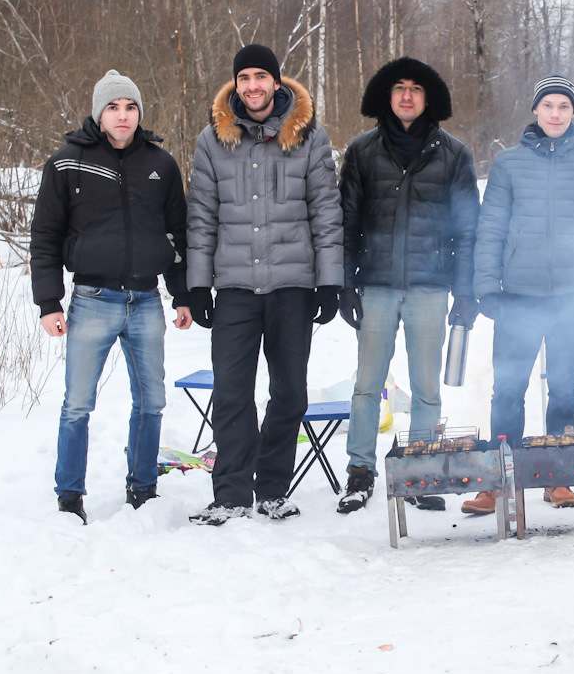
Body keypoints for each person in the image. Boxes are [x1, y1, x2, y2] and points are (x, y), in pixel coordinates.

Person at [185, 44, 343, 524]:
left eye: (260, 76)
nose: (252, 85)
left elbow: (326, 212)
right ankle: (231, 493)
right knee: (232, 392)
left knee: (290, 392)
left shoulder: (309, 137)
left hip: (293, 286)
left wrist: (328, 282)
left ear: (277, 82)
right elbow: (201, 218)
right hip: (234, 288)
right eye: (244, 77)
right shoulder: (212, 140)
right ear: (235, 84)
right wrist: (197, 285)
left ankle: (273, 488)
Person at [30, 70, 193, 523]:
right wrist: (48, 301)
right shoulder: (67, 162)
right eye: (113, 107)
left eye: (131, 107)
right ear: (99, 113)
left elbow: (178, 233)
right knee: (78, 403)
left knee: (152, 401)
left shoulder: (160, 164)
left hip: (145, 300)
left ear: (139, 113)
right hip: (93, 298)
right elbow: (45, 236)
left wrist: (181, 295)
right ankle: (69, 497)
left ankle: (142, 489)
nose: (123, 116)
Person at [467, 75, 574, 514]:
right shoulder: (509, 164)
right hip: (518, 296)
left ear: (573, 113)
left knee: (564, 389)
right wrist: (486, 287)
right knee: (507, 390)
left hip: (572, 298)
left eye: (564, 106)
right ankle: (499, 478)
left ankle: (557, 476)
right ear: (535, 110)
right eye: (548, 105)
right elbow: (492, 228)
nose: (555, 113)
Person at [336, 57, 481, 514]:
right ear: (387, 95)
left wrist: (466, 292)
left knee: (425, 388)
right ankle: (360, 472)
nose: (406, 96)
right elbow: (347, 222)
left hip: (429, 288)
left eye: (415, 89)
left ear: (428, 98)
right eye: (398, 87)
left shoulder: (454, 154)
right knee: (367, 385)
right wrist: (344, 283)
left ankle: (418, 472)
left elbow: (467, 230)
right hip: (376, 286)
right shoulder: (362, 152)